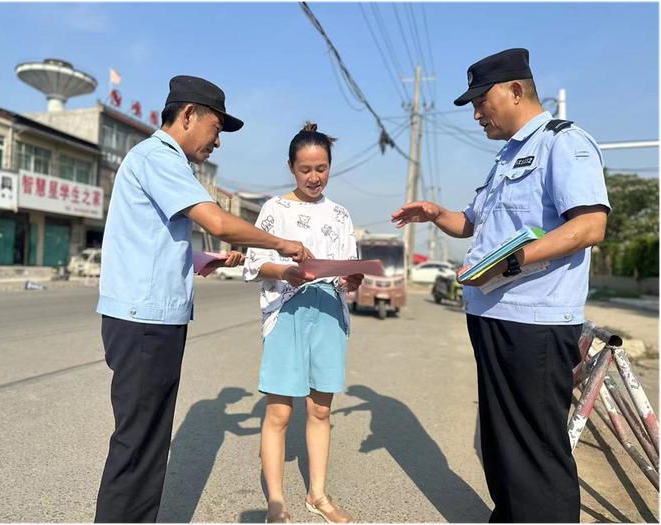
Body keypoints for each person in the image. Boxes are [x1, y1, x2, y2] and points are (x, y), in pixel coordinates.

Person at [392, 48, 609, 523]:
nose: (475, 113)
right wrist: (435, 214)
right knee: (504, 443)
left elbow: (589, 226)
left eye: (480, 100)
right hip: (494, 316)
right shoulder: (506, 157)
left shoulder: (563, 142)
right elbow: (474, 224)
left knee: (536, 449)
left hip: (534, 324)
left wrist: (508, 265)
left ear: (515, 90)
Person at [94, 75, 312, 523]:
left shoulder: (160, 162)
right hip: (144, 324)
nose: (218, 142)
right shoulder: (159, 156)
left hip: (148, 319)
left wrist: (203, 260)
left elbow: (150, 241)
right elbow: (217, 220)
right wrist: (281, 243)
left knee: (147, 443)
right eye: (216, 128)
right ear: (189, 115)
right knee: (137, 445)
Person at [243, 123, 363, 523]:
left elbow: (348, 269)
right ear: (291, 167)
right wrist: (286, 270)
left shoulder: (341, 214)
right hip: (286, 312)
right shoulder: (275, 210)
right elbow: (254, 264)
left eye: (322, 168)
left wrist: (352, 279)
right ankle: (275, 503)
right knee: (279, 412)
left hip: (328, 312)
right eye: (305, 169)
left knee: (321, 410)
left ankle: (318, 494)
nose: (314, 177)